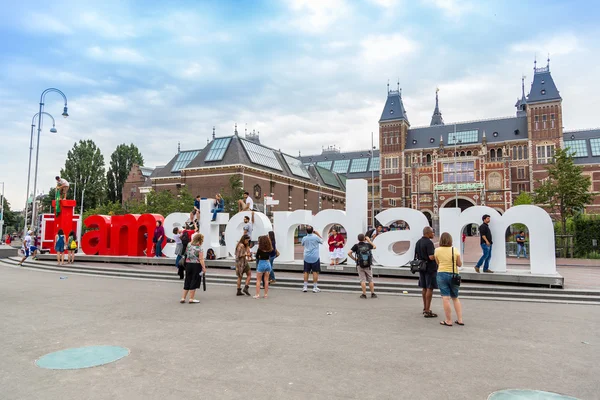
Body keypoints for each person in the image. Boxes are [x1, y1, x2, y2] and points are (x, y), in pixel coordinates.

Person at [434, 232, 464, 327]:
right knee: (455, 297)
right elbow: (459, 264)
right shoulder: (454, 250)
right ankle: (460, 319)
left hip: (442, 274)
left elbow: (437, 262)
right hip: (454, 275)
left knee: (445, 298)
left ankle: (448, 320)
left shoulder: (437, 250)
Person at [415, 226, 438, 318]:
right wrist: (437, 255)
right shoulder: (429, 243)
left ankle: (425, 308)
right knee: (430, 287)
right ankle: (428, 310)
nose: (433, 234)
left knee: (424, 288)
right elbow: (431, 257)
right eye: (432, 232)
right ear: (427, 233)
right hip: (430, 268)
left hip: (421, 267)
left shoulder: (418, 242)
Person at [348, 234, 378, 299]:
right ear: (364, 239)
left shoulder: (356, 246)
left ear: (358, 239)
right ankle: (372, 293)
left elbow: (349, 253)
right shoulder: (368, 245)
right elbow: (375, 246)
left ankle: (364, 294)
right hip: (368, 265)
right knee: (370, 280)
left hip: (360, 264)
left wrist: (355, 259)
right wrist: (369, 241)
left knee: (362, 280)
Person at [180, 233, 206, 304]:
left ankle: (183, 298)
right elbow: (201, 259)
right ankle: (191, 298)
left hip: (188, 264)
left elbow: (186, 253)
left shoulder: (189, 245)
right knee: (194, 280)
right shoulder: (199, 248)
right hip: (196, 265)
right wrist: (204, 267)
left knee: (187, 279)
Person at [301, 226, 323, 293]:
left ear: (306, 231)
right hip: (315, 257)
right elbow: (322, 241)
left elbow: (302, 244)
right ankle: (315, 287)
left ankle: (305, 287)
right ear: (313, 230)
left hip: (306, 256)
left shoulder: (304, 238)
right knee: (315, 272)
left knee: (306, 271)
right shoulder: (316, 237)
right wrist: (318, 234)